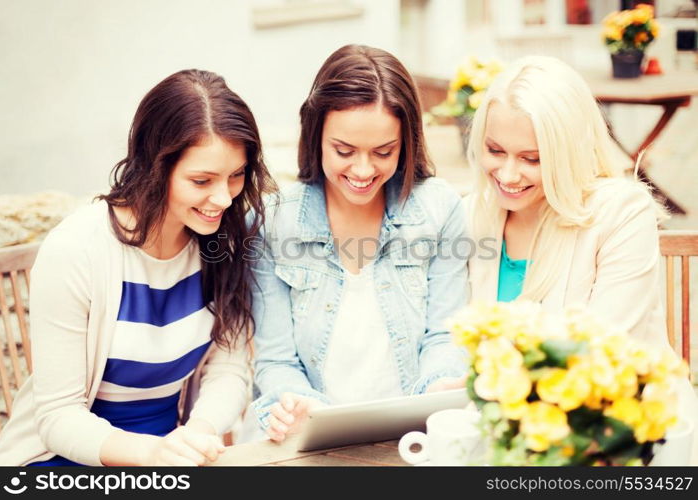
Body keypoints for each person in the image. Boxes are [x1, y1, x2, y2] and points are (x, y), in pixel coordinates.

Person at [0, 69, 276, 465]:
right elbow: (58, 418)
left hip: (168, 460)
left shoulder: (223, 240)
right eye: (201, 180)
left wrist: (196, 435)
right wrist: (152, 452)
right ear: (154, 166)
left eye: (235, 175)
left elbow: (229, 369)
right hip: (58, 461)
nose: (223, 197)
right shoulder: (77, 250)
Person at [465, 55, 698, 461]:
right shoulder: (475, 215)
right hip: (510, 442)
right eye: (494, 150)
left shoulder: (621, 212)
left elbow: (599, 356)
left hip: (617, 443)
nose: (507, 173)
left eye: (531, 158)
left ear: (567, 152)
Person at [247, 44, 468, 443]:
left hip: (410, 439)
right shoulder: (272, 221)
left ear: (407, 141)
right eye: (344, 151)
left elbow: (445, 334)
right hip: (304, 443)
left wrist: (441, 385)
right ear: (315, 135)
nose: (364, 170)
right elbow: (275, 360)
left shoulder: (440, 209)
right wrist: (298, 406)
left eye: (384, 152)